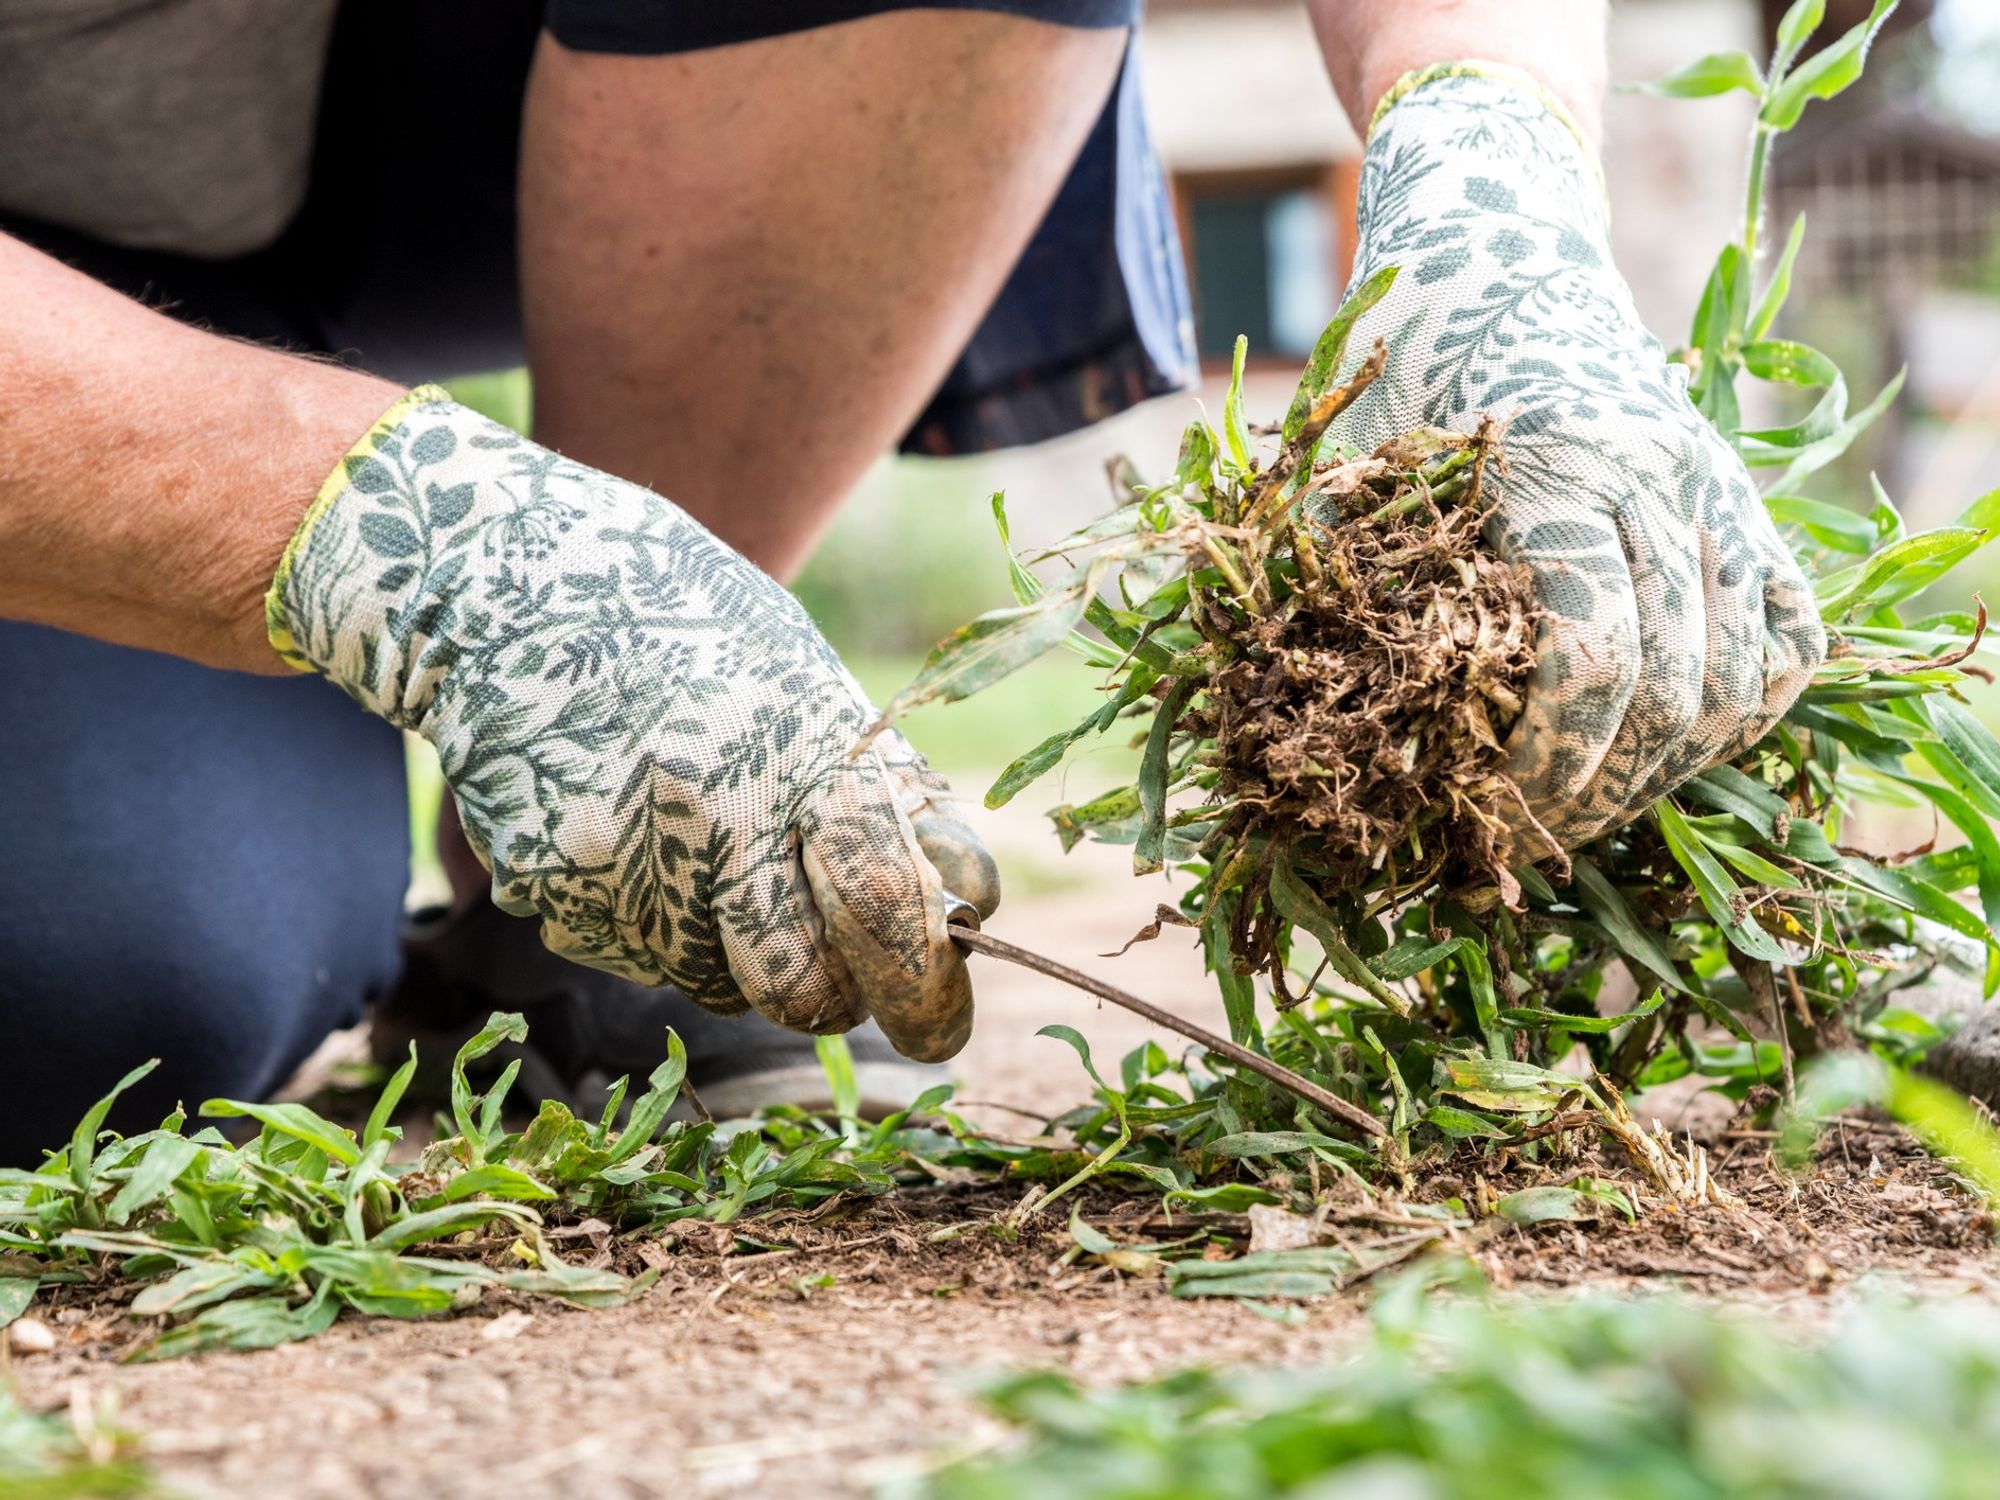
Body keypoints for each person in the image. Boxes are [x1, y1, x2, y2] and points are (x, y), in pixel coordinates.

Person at [0, 0, 1823, 1163]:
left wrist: (1490, 151)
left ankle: (597, 886)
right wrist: (413, 543)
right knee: (99, 993)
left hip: (501, 90)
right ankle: (559, 700)